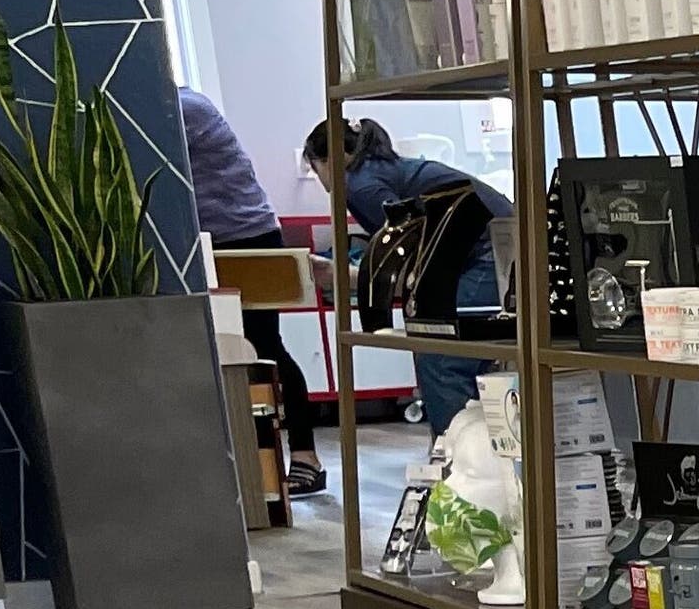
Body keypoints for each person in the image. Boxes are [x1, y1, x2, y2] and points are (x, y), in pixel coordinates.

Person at [302, 118, 509, 439]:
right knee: (477, 359)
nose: (322, 181)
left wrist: (343, 277)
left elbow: (409, 264)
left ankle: (456, 463)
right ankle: (486, 456)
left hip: (487, 255)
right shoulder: (384, 170)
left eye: (316, 169)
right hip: (499, 247)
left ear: (328, 160)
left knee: (441, 357)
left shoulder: (358, 184)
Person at [179, 87, 322, 495]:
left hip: (244, 237)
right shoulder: (184, 104)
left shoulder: (183, 108)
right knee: (245, 346)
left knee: (262, 344)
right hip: (211, 240)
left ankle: (305, 455)